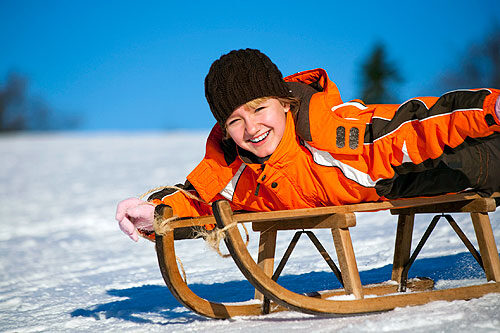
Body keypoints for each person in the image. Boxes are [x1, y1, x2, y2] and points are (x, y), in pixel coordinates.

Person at [116, 48, 500, 242]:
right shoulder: (236, 173)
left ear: (284, 103)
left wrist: (490, 108)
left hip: (457, 162)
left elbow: (420, 123)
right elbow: (198, 201)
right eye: (235, 120)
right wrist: (155, 214)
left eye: (259, 108)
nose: (252, 128)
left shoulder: (336, 134)